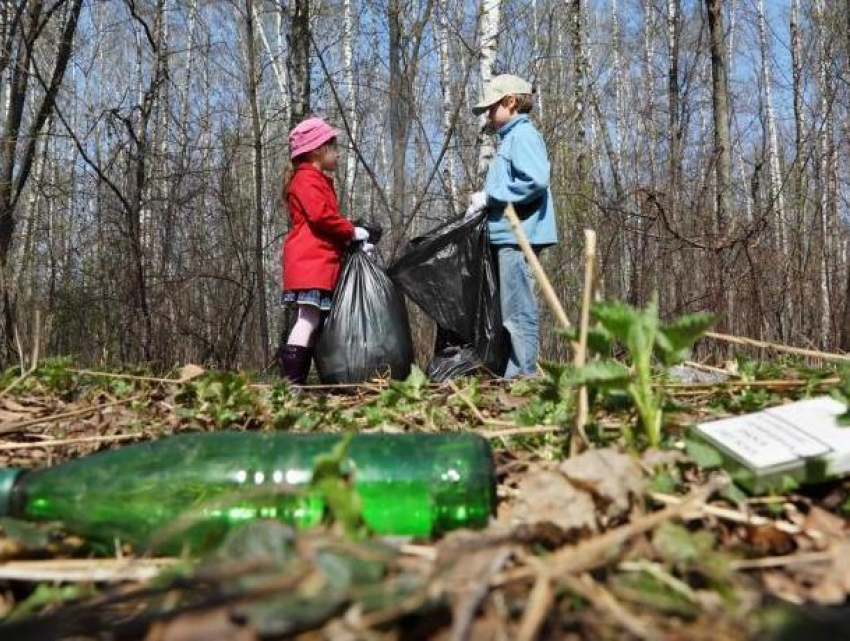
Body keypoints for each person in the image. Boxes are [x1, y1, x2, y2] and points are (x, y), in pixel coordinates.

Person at [466, 74, 558, 378]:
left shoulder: (523, 136)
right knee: (510, 310)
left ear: (511, 102)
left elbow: (535, 180)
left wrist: (490, 197)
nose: (489, 116)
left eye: (492, 109)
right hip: (509, 235)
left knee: (518, 311)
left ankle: (523, 379)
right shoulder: (511, 138)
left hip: (521, 236)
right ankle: (515, 374)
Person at [279, 117, 371, 384]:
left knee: (311, 321)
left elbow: (324, 219)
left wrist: (351, 237)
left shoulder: (313, 179)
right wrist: (351, 231)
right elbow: (321, 216)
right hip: (311, 263)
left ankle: (295, 383)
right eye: (333, 146)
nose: (338, 153)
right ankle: (291, 384)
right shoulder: (306, 180)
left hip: (315, 262)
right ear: (316, 150)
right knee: (307, 320)